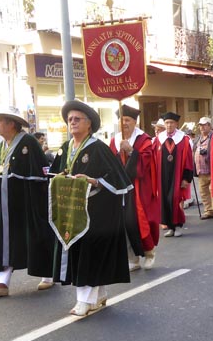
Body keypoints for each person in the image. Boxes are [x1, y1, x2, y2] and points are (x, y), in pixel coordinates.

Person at [50, 100, 133, 316]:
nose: (73, 122)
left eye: (78, 119)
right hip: (71, 211)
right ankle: (99, 294)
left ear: (89, 124)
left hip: (94, 211)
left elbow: (118, 179)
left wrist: (92, 181)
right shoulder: (66, 148)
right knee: (80, 251)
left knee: (89, 253)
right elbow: (53, 173)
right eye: (70, 119)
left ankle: (84, 300)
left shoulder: (98, 148)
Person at [0, 106, 55, 297]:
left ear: (11, 123)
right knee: (4, 239)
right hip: (5, 206)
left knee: (35, 236)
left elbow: (41, 173)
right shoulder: (2, 147)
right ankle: (1, 284)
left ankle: (47, 275)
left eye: (0, 121)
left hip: (27, 203)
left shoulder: (28, 142)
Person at [109, 104, 160, 270]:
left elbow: (145, 164)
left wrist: (132, 151)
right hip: (121, 188)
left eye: (127, 120)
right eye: (121, 119)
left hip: (139, 187)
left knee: (139, 221)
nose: (124, 123)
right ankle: (132, 258)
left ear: (135, 122)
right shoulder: (114, 140)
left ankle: (149, 252)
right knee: (123, 223)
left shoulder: (144, 140)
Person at [157, 111, 194, 237]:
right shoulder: (159, 139)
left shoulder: (183, 139)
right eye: (167, 123)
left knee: (175, 199)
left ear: (176, 124)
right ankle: (170, 227)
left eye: (171, 123)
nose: (169, 125)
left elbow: (189, 159)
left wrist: (186, 178)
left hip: (177, 176)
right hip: (162, 176)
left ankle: (178, 225)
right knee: (165, 201)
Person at [194, 117, 213, 220]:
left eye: (204, 125)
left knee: (212, 190)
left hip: (211, 169)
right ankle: (208, 210)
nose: (202, 127)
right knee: (203, 191)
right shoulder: (198, 138)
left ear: (209, 126)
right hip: (200, 170)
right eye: (200, 125)